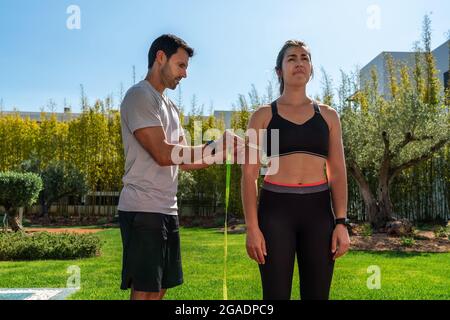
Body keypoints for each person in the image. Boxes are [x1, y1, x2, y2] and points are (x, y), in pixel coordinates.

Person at [118, 34, 243, 300]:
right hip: (142, 208)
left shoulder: (171, 107)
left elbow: (184, 160)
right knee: (144, 290)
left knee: (161, 287)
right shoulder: (139, 96)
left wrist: (224, 154)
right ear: (160, 58)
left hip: (166, 208)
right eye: (181, 65)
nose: (185, 74)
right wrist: (215, 144)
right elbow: (163, 154)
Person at [241, 40, 350, 300]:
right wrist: (252, 228)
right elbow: (248, 175)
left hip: (318, 212)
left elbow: (337, 170)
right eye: (291, 58)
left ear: (311, 69)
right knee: (275, 296)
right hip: (275, 212)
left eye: (304, 58)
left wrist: (341, 222)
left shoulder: (329, 116)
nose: (299, 63)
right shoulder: (263, 115)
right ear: (279, 70)